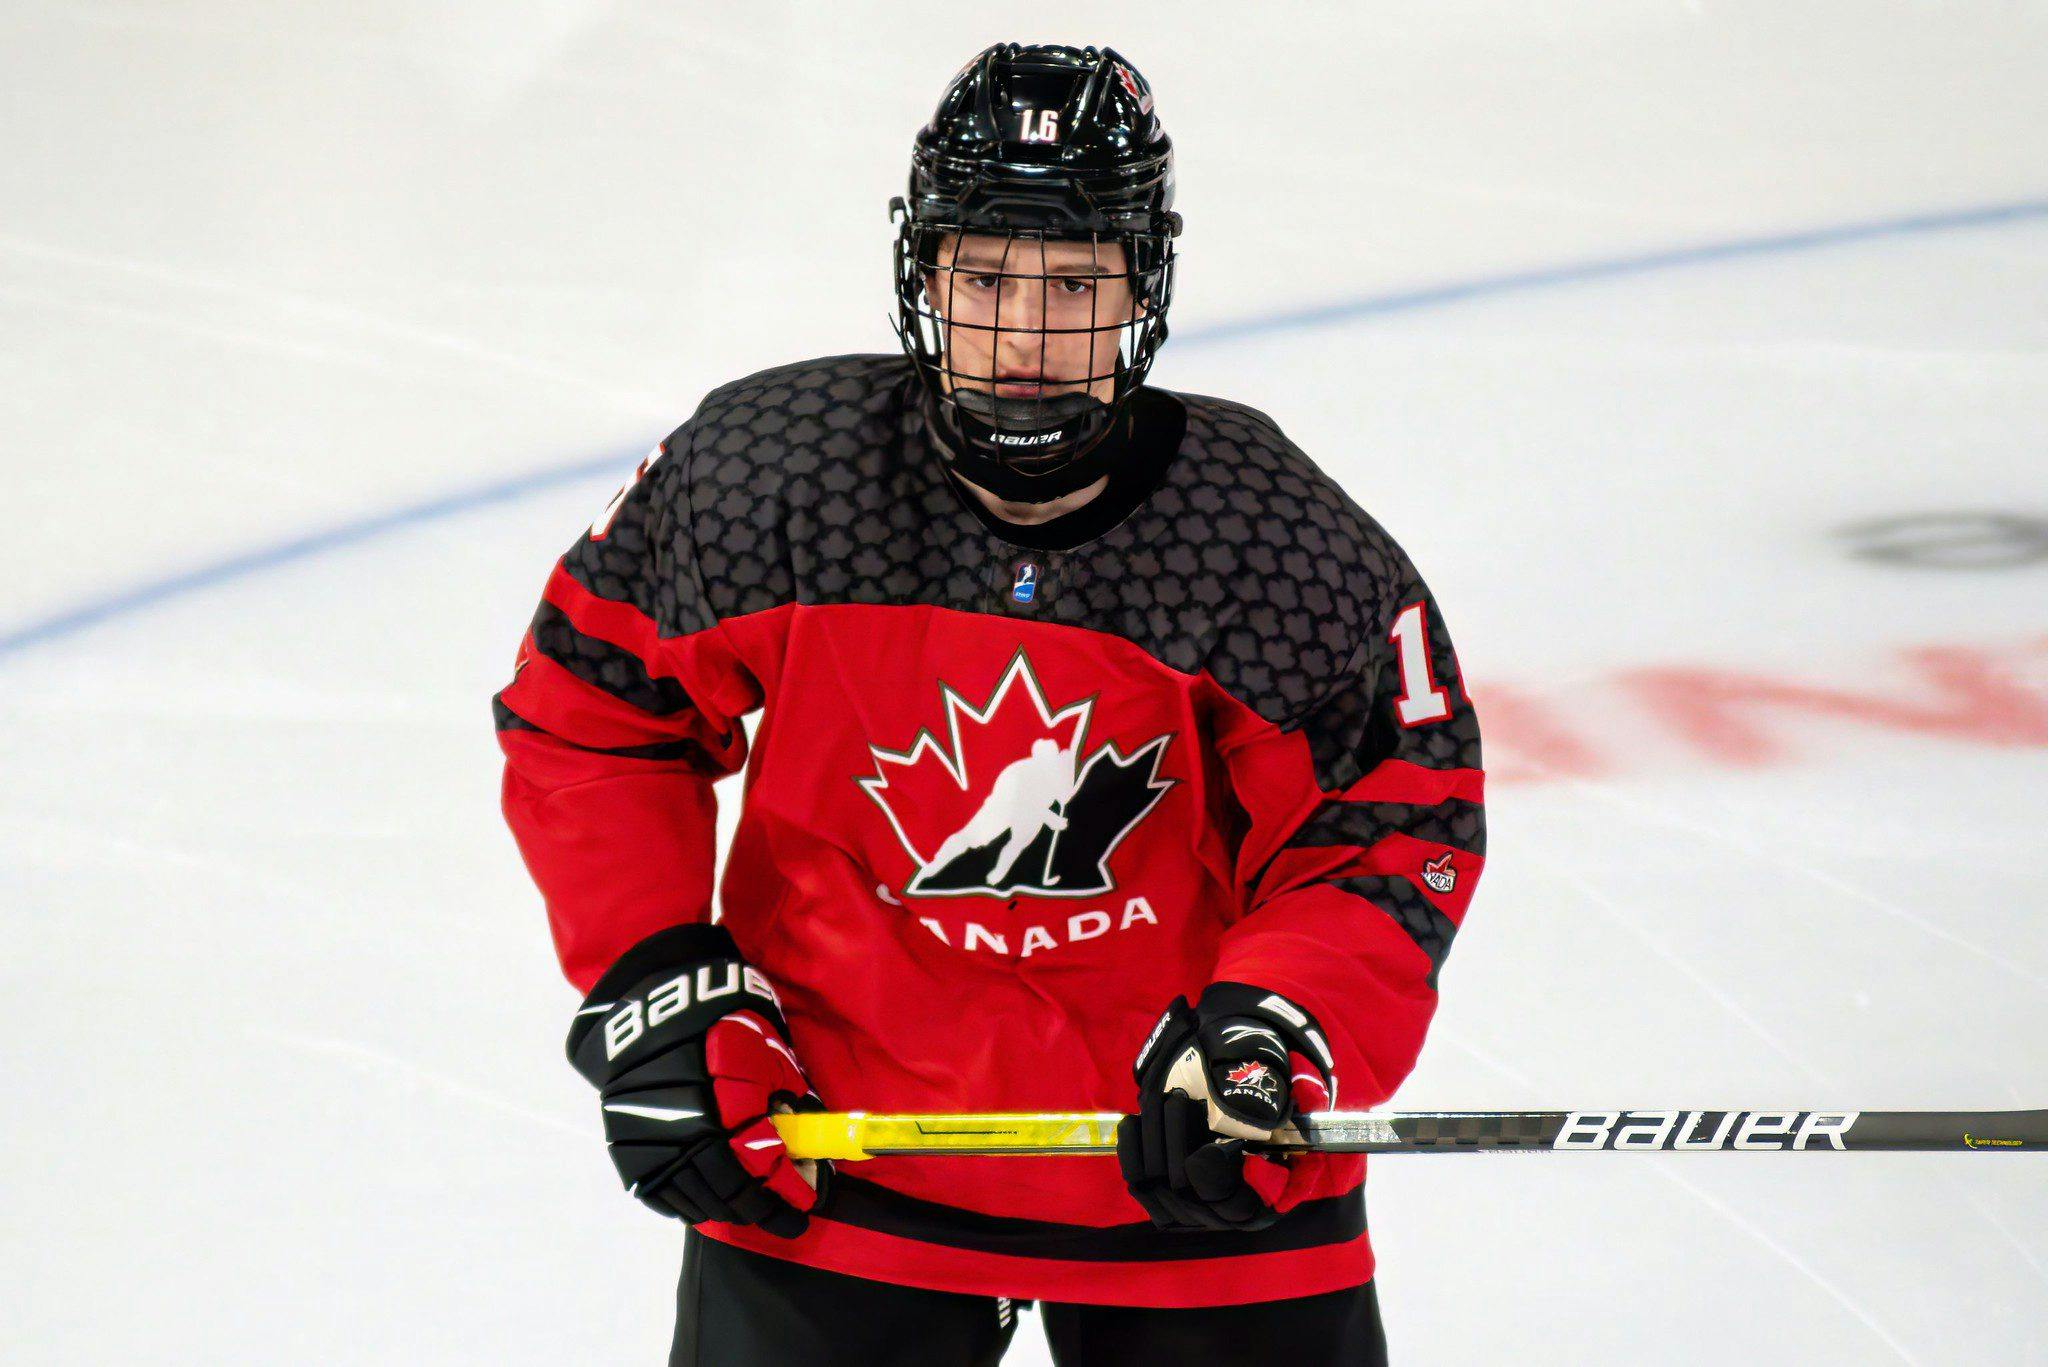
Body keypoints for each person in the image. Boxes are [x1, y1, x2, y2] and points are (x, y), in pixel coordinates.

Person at [495, 42, 1485, 1366]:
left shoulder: (1267, 537)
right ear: (923, 278)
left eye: (1075, 281)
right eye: (984, 278)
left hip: (1193, 1165)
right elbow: (593, 710)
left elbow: (1382, 824)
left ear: (1147, 289)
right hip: (832, 1166)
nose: (1023, 337)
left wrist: (1274, 1033)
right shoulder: (774, 478)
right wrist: (660, 978)